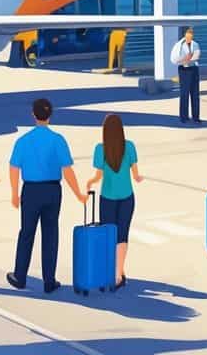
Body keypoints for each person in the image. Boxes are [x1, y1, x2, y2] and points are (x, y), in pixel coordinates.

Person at [7, 98, 86, 294]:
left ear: (33, 115)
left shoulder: (23, 141)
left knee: (26, 233)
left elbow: (14, 168)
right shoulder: (58, 140)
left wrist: (14, 193)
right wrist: (78, 194)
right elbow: (67, 170)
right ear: (50, 115)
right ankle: (49, 281)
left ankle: (20, 276)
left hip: (31, 191)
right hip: (52, 190)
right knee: (50, 234)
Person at [84, 114, 143, 290]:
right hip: (127, 197)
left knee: (108, 235)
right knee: (122, 235)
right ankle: (119, 273)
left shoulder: (100, 149)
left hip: (107, 198)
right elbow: (135, 174)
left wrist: (89, 183)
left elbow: (98, 175)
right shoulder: (130, 146)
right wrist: (139, 178)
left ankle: (108, 272)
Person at [171, 26, 201, 124]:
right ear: (184, 34)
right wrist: (185, 59)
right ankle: (184, 117)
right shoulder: (178, 45)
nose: (190, 34)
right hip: (184, 70)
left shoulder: (195, 44)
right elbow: (174, 60)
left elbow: (197, 55)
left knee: (195, 94)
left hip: (194, 69)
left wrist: (193, 58)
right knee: (184, 94)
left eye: (191, 32)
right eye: (189, 32)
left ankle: (196, 117)